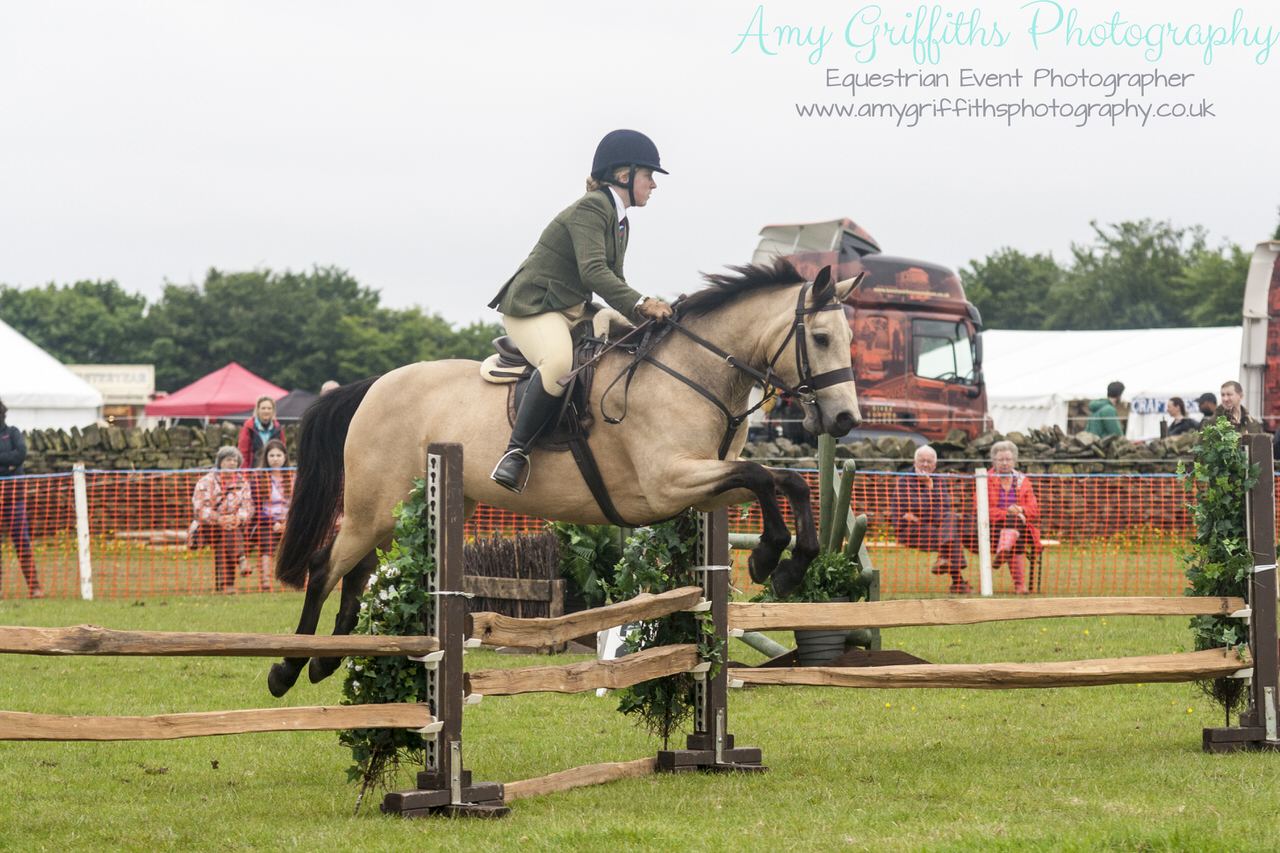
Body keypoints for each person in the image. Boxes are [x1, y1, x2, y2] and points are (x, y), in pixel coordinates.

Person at [486, 129, 675, 493]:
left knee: (626, 341)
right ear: (625, 176)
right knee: (557, 364)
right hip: (535, 307)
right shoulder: (592, 208)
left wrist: (643, 318)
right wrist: (642, 303)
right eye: (648, 176)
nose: (653, 185)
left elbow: (614, 278)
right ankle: (515, 454)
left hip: (573, 307)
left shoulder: (620, 220)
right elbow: (594, 273)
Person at [890, 445, 970, 595]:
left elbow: (943, 510)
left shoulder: (939, 481)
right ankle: (957, 582)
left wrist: (920, 516)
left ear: (935, 465)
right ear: (914, 462)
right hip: (907, 531)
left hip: (930, 528)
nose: (925, 464)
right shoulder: (903, 482)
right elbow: (921, 508)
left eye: (929, 461)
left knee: (950, 518)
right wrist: (929, 488)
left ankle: (945, 562)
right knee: (950, 533)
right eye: (922, 461)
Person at [980, 440, 1042, 595]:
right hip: (991, 528)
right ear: (994, 461)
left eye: (1008, 459)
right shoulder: (984, 480)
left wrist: (1020, 510)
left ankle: (1004, 551)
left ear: (1014, 460)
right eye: (1001, 459)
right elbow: (981, 509)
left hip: (1019, 528)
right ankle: (1020, 586)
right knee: (1014, 529)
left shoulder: (1023, 480)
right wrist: (1006, 512)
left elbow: (1034, 510)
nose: (1005, 463)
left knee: (1015, 525)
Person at [192, 446, 254, 593]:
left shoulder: (243, 483)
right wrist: (219, 519)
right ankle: (241, 559)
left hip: (233, 526)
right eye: (228, 460)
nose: (232, 463)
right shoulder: (205, 481)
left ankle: (226, 586)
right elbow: (199, 508)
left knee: (226, 536)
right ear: (220, 462)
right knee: (228, 532)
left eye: (235, 460)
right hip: (208, 526)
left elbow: (248, 507)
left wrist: (238, 518)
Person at [0, 399, 42, 598]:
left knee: (22, 541)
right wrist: (7, 466)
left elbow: (20, 455)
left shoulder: (14, 433)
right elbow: (13, 459)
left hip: (14, 497)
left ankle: (35, 588)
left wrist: (10, 462)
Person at [250, 439, 291, 593]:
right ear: (266, 457)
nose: (275, 459)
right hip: (267, 522)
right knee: (266, 543)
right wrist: (272, 521)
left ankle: (296, 579)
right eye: (271, 455)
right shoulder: (258, 478)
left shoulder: (293, 477)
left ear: (285, 457)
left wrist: (288, 522)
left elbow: (298, 506)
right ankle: (266, 582)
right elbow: (255, 508)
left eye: (278, 455)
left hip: (289, 521)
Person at [237, 396, 285, 469]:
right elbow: (243, 453)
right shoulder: (248, 427)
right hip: (253, 471)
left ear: (273, 410)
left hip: (273, 472)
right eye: (263, 408)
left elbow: (283, 451)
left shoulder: (278, 428)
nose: (266, 411)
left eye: (269, 408)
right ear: (258, 410)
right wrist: (245, 473)